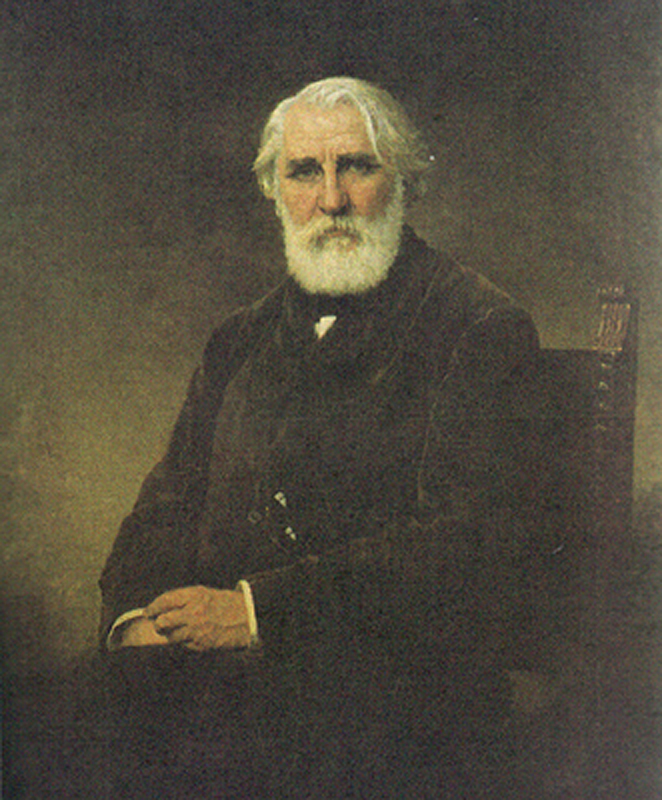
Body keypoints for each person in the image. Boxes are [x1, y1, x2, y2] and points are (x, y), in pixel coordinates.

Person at [95, 76, 543, 797]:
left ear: (405, 182)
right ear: (275, 191)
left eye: (356, 167)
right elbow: (165, 505)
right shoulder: (238, 338)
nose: (331, 200)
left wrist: (253, 612)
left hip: (397, 707)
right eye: (304, 172)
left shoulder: (478, 326)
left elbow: (464, 544)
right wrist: (135, 618)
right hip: (218, 692)